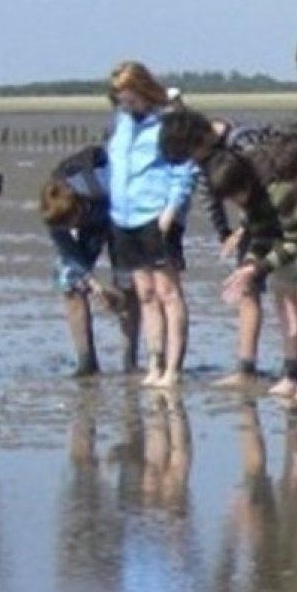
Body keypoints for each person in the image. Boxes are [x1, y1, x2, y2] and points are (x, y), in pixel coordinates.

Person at [160, 107, 286, 388]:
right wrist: (224, 233)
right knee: (246, 289)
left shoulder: (244, 142)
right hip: (250, 225)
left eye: (191, 155)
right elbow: (211, 197)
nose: (193, 161)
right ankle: (246, 367)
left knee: (288, 292)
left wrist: (244, 227)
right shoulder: (203, 158)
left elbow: (270, 187)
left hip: (278, 218)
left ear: (200, 140)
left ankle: (293, 368)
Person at [217, 133, 297, 406]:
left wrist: (259, 268)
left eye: (235, 195)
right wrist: (249, 266)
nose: (234, 202)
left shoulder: (281, 194)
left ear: (245, 184)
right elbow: (261, 237)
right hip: (281, 255)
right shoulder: (249, 205)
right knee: (286, 309)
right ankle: (291, 374)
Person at [107, 61, 199, 388]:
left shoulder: (166, 124)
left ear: (144, 92)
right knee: (144, 293)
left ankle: (173, 368)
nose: (126, 105)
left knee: (167, 292)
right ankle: (154, 363)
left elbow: (184, 170)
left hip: (156, 217)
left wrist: (171, 210)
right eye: (121, 100)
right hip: (123, 217)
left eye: (131, 98)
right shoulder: (121, 123)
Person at [38, 144, 141, 377]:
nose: (69, 230)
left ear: (79, 209)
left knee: (128, 284)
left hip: (121, 214)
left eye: (71, 225)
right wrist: (92, 282)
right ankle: (86, 362)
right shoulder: (52, 209)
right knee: (69, 283)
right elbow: (68, 250)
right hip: (91, 217)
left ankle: (130, 360)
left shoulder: (105, 185)